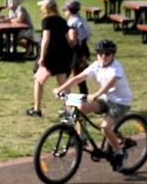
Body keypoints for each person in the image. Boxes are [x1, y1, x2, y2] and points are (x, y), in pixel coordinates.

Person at [53, 38, 134, 170]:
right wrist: (61, 89)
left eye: (107, 54)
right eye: (100, 53)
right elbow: (78, 78)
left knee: (105, 127)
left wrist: (96, 95)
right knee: (80, 107)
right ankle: (81, 138)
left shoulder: (116, 68)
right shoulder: (97, 65)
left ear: (113, 55)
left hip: (120, 102)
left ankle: (119, 153)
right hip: (106, 98)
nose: (103, 56)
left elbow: (109, 85)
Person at [29, 0, 72, 118]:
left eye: (42, 6)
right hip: (63, 54)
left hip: (51, 55)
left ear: (47, 7)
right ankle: (68, 109)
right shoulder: (62, 20)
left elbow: (45, 39)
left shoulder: (47, 21)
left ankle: (37, 109)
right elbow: (68, 39)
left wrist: (42, 57)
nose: (41, 8)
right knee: (63, 84)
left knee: (38, 80)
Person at [66, 0, 92, 94]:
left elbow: (73, 40)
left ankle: (69, 95)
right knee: (80, 75)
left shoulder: (72, 22)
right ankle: (84, 94)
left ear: (69, 11)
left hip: (77, 51)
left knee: (68, 74)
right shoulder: (81, 19)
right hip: (84, 49)